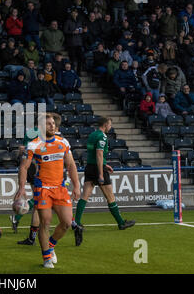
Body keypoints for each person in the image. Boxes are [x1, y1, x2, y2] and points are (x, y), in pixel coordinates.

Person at [15, 113, 81, 268]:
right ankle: (46, 258)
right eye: (48, 124)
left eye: (52, 123)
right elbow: (24, 167)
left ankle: (51, 245)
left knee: (66, 223)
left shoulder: (63, 142)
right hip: (42, 188)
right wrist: (22, 187)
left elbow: (71, 165)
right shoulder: (34, 145)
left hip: (60, 188)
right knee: (45, 222)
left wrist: (76, 185)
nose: (52, 126)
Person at [74, 117, 136, 247]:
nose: (110, 127)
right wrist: (101, 172)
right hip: (97, 169)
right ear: (106, 124)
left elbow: (92, 154)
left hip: (89, 167)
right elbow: (99, 154)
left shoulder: (92, 135)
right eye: (110, 124)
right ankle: (121, 223)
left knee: (84, 196)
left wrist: (105, 165)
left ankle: (77, 222)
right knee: (110, 197)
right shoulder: (102, 136)